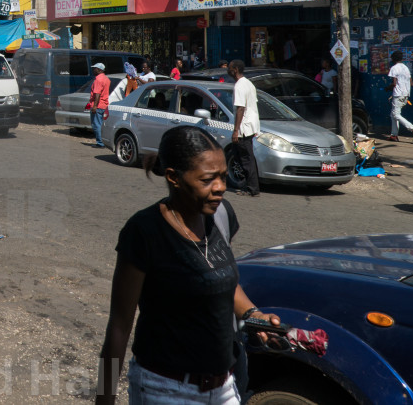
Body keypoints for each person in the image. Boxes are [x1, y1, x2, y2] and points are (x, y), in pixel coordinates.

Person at [96, 126, 281, 405]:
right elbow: (119, 326)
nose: (220, 187)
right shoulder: (144, 232)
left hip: (224, 388)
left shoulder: (221, 215)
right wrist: (104, 399)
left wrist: (254, 314)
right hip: (165, 391)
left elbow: (221, 280)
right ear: (174, 177)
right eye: (208, 180)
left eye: (222, 176)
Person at [227, 60, 261, 197]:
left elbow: (240, 108)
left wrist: (236, 130)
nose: (228, 70)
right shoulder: (248, 83)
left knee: (246, 159)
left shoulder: (240, 86)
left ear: (235, 69)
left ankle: (253, 188)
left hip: (244, 127)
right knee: (237, 155)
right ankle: (245, 184)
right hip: (250, 125)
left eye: (229, 68)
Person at [386, 50, 413, 143]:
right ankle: (394, 135)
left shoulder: (394, 68)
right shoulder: (406, 68)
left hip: (398, 94)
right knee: (393, 115)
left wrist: (387, 88)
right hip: (406, 94)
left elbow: (394, 84)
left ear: (393, 59)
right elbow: (411, 83)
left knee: (396, 114)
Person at [85, 62, 110, 148]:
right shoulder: (106, 79)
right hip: (104, 104)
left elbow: (97, 94)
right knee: (100, 124)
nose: (93, 70)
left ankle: (100, 143)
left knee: (96, 124)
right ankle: (103, 141)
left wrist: (95, 106)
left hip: (98, 105)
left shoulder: (98, 80)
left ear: (99, 70)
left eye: (94, 68)